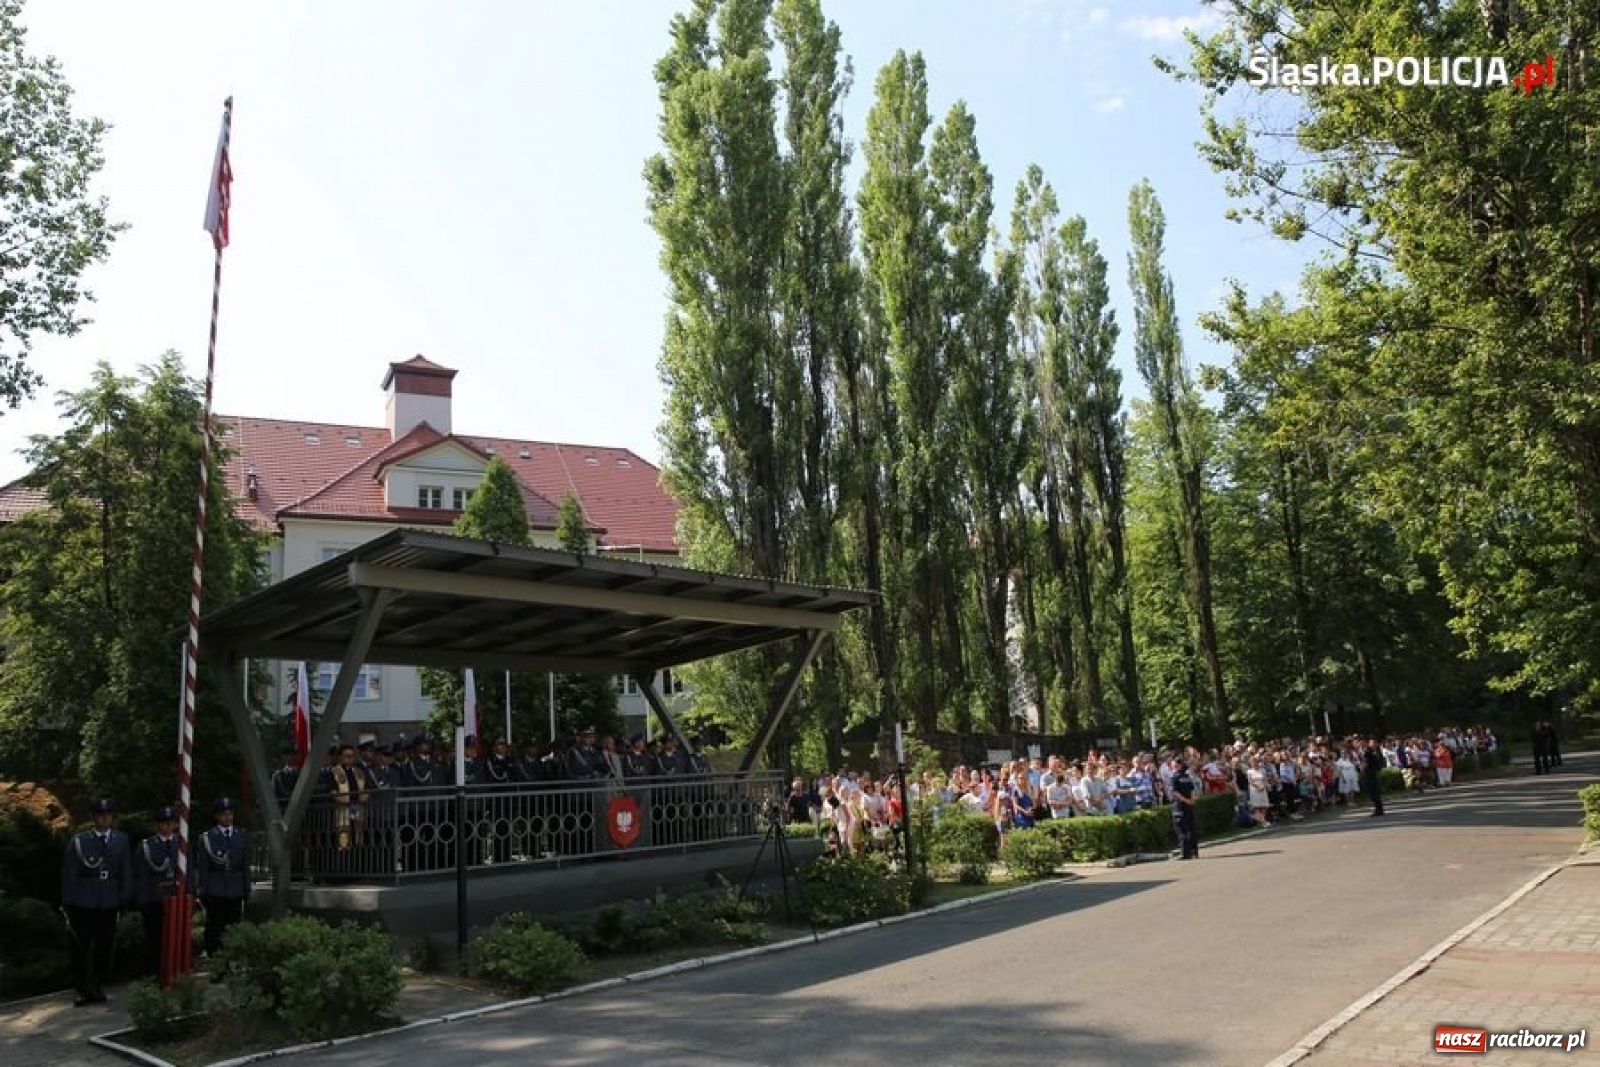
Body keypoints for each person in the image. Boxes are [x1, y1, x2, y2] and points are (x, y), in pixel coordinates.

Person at [61, 798, 132, 1006]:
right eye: (100, 815)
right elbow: (69, 873)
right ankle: (82, 988)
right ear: (93, 818)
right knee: (80, 945)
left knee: (105, 945)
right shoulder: (80, 841)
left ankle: (97, 984)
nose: (104, 819)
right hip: (83, 898)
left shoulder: (121, 840)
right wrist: (68, 900)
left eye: (108, 815)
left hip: (109, 899)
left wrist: (125, 896)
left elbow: (126, 870)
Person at [194, 797, 251, 962]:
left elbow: (245, 864)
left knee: (233, 928)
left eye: (230, 814)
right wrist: (203, 890)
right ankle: (215, 961)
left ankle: (231, 961)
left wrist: (246, 887)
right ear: (217, 816)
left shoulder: (241, 835)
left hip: (235, 888)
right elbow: (203, 867)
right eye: (224, 814)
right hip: (215, 889)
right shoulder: (207, 837)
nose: (228, 817)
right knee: (215, 928)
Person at [133, 806, 182, 978]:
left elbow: (188, 872)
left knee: (175, 936)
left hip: (175, 898)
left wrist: (189, 894)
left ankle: (174, 972)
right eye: (164, 823)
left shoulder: (181, 844)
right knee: (154, 938)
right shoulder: (147, 846)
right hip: (154, 898)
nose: (168, 826)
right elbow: (141, 875)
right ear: (158, 825)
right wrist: (142, 901)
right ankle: (154, 974)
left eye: (171, 823)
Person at [1170, 758, 1199, 859]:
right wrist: (1191, 800)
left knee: (1181, 830)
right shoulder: (1187, 777)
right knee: (1191, 829)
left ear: (1176, 766)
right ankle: (1194, 851)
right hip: (1189, 806)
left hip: (1180, 806)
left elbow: (1175, 792)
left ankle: (1185, 853)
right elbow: (1192, 790)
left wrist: (1186, 800)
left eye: (1173, 765)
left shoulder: (1175, 777)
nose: (1172, 766)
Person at [1361, 738, 1387, 816]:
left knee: (1375, 791)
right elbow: (1366, 762)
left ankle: (1379, 810)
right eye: (1371, 743)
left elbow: (1380, 761)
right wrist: (1363, 770)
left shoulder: (1376, 751)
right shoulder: (1369, 751)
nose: (1373, 744)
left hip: (1373, 773)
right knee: (1373, 792)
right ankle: (1378, 809)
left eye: (1374, 743)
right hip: (1370, 773)